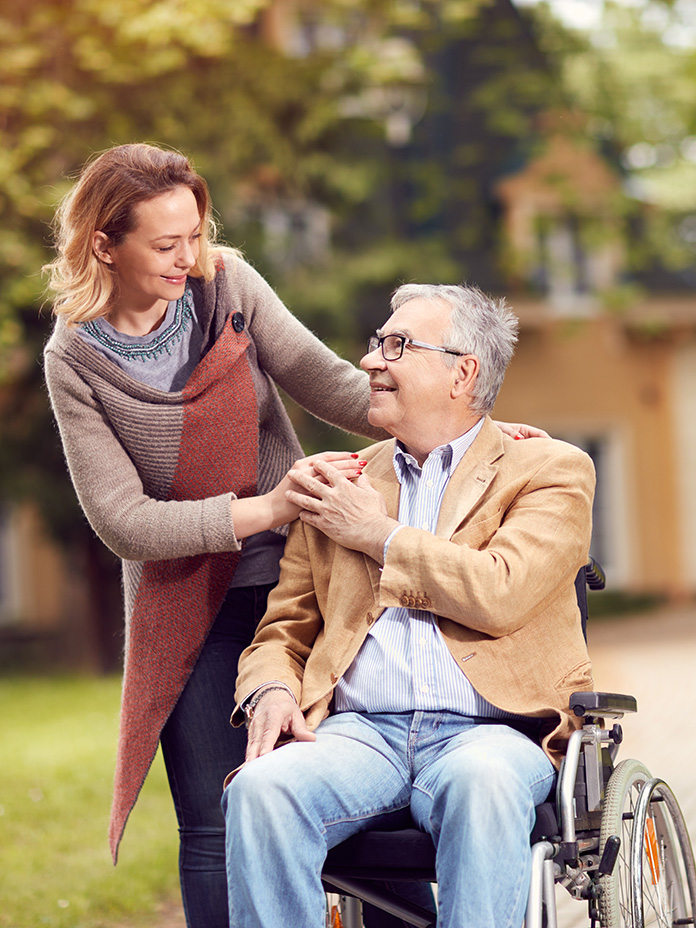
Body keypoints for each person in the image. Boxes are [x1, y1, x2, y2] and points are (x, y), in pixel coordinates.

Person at [42, 144, 543, 928]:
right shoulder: (75, 360)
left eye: (196, 234)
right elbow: (124, 523)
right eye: (166, 244)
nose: (189, 257)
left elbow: (332, 381)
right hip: (189, 597)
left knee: (375, 776)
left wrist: (463, 421)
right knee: (215, 819)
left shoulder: (227, 286)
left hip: (303, 571)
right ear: (106, 245)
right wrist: (269, 509)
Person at [223, 282, 596, 928]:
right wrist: (271, 692)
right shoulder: (341, 480)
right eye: (376, 344)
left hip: (492, 733)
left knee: (482, 786)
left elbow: (500, 591)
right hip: (359, 734)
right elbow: (282, 632)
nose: (370, 361)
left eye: (396, 345)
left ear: (463, 372)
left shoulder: (551, 470)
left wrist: (378, 536)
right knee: (259, 790)